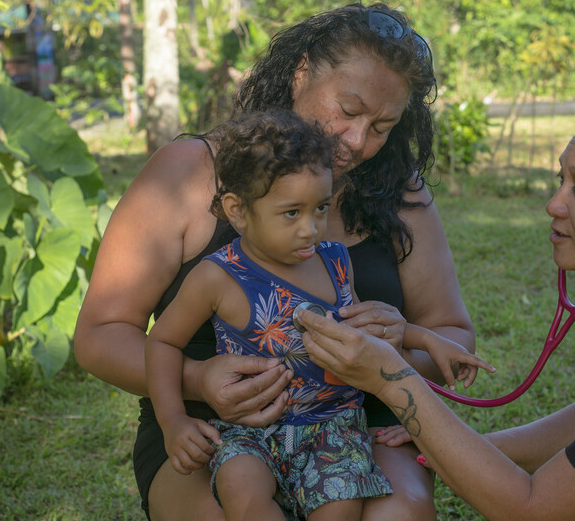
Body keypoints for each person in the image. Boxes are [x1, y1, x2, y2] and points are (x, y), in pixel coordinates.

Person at [74, 2, 477, 521]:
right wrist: (198, 380)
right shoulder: (188, 172)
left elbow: (453, 336)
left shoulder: (399, 192)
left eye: (381, 126)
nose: (356, 141)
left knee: (397, 516)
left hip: (356, 420)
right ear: (301, 71)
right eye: (348, 110)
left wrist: (393, 354)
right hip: (209, 426)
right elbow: (100, 334)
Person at [299, 82, 575, 520]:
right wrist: (460, 449)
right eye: (562, 179)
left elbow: (530, 506)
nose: (553, 205)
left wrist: (391, 378)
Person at [145, 111, 492, 521]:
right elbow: (162, 342)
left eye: (321, 208)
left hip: (335, 427)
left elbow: (363, 325)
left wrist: (430, 340)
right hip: (250, 431)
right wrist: (173, 422)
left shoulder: (335, 262)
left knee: (340, 506)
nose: (311, 229)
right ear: (238, 211)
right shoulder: (217, 276)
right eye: (292, 213)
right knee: (241, 488)